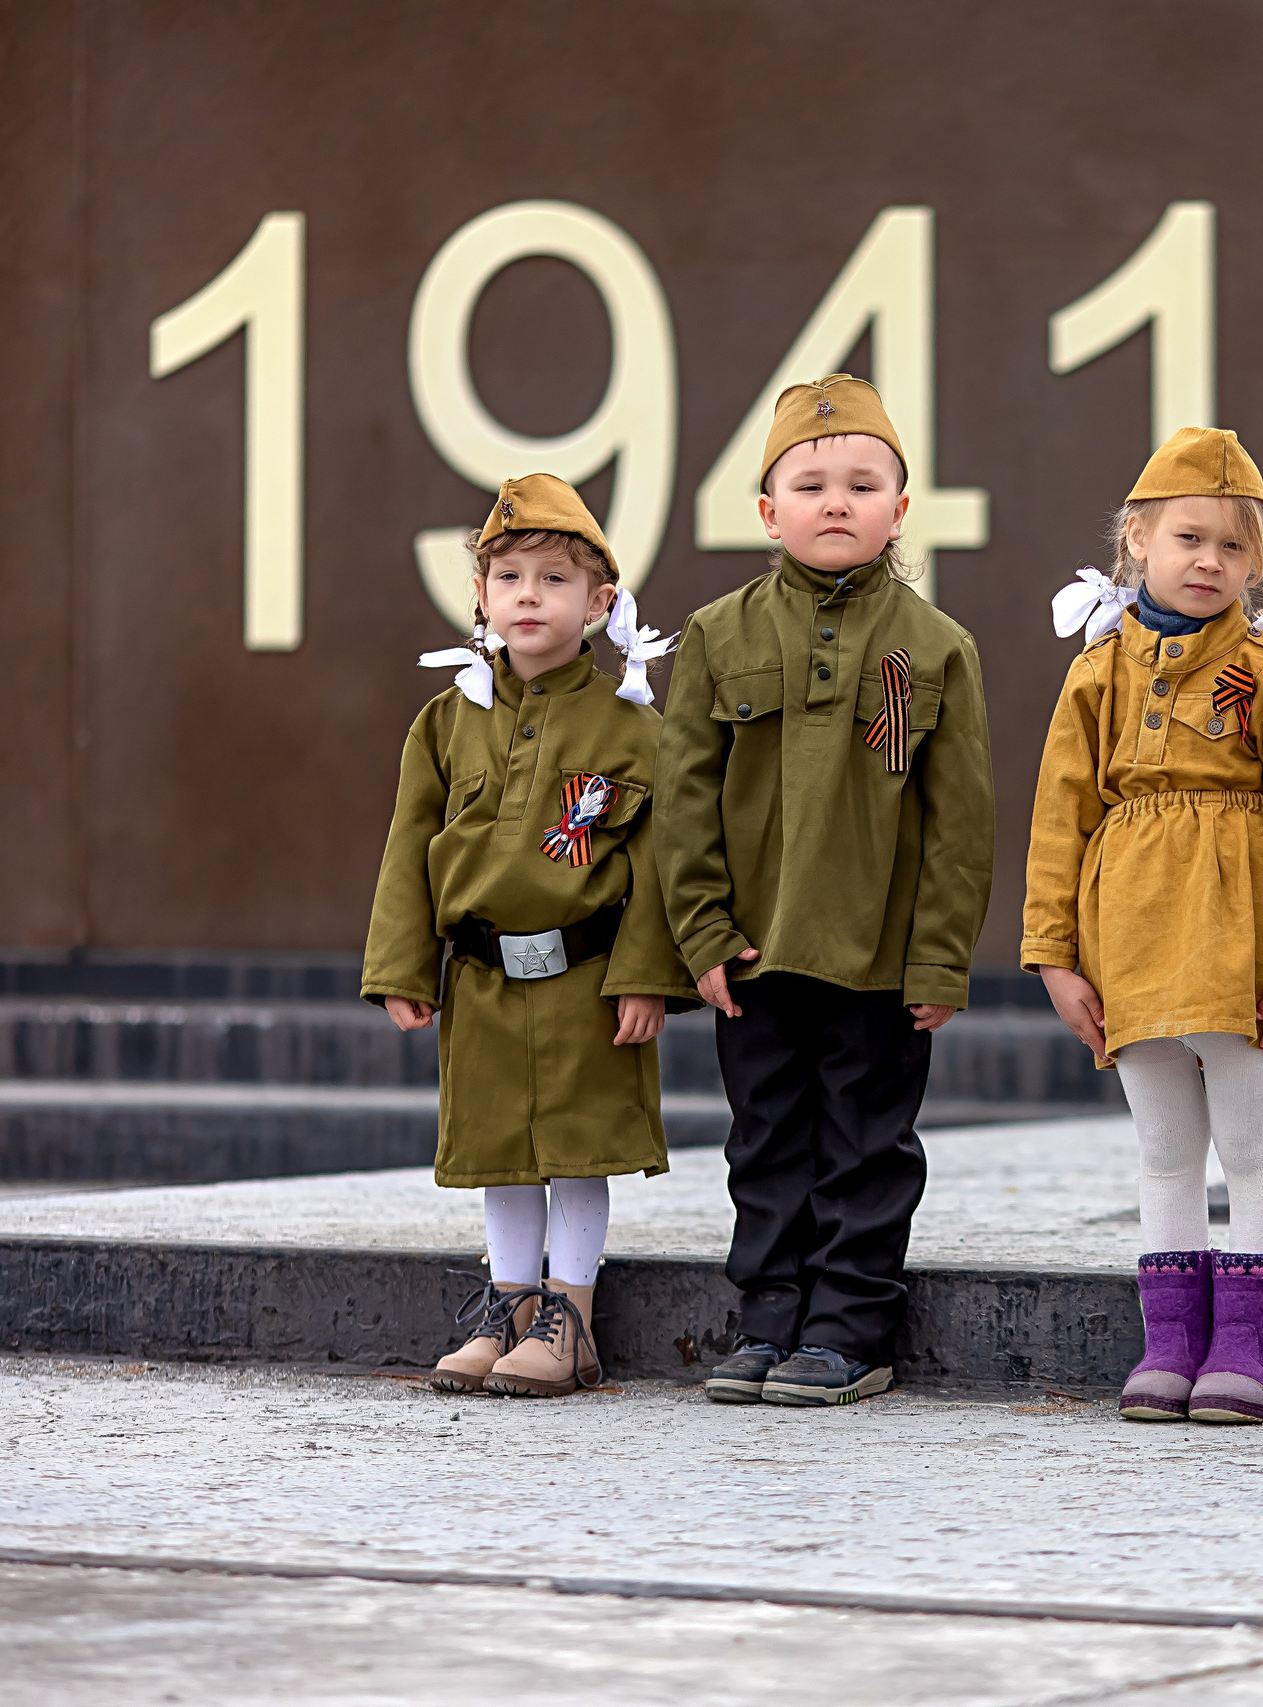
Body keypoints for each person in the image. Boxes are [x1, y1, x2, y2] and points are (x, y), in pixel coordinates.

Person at [657, 374, 995, 1408]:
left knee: (866, 1142)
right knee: (763, 1143)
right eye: (809, 483)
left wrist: (939, 958)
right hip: (753, 955)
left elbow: (960, 824)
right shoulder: (718, 637)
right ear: (768, 511)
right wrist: (703, 932)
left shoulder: (936, 647)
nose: (835, 500)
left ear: (901, 509)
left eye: (862, 482)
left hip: (878, 957)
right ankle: (768, 1321)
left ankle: (848, 1327)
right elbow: (685, 802)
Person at [1023, 426, 1263, 1426]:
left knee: (1247, 1142)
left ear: (1262, 564)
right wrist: (1054, 954)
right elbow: (1060, 821)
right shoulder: (1098, 673)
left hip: (1234, 937)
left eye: (1234, 547)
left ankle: (1253, 1342)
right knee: (1164, 1145)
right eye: (1188, 539)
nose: (1210, 561)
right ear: (1136, 543)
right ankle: (1172, 1339)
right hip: (1130, 937)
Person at [362, 473, 695, 1399]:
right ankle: (509, 1309)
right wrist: (402, 966)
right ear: (479, 595)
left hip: (586, 976)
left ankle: (570, 1318)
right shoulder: (446, 720)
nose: (528, 596)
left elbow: (661, 863)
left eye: (553, 579)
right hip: (482, 978)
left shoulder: (631, 727)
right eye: (507, 576)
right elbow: (406, 852)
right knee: (500, 1150)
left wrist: (646, 976)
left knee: (577, 1149)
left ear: (599, 605)